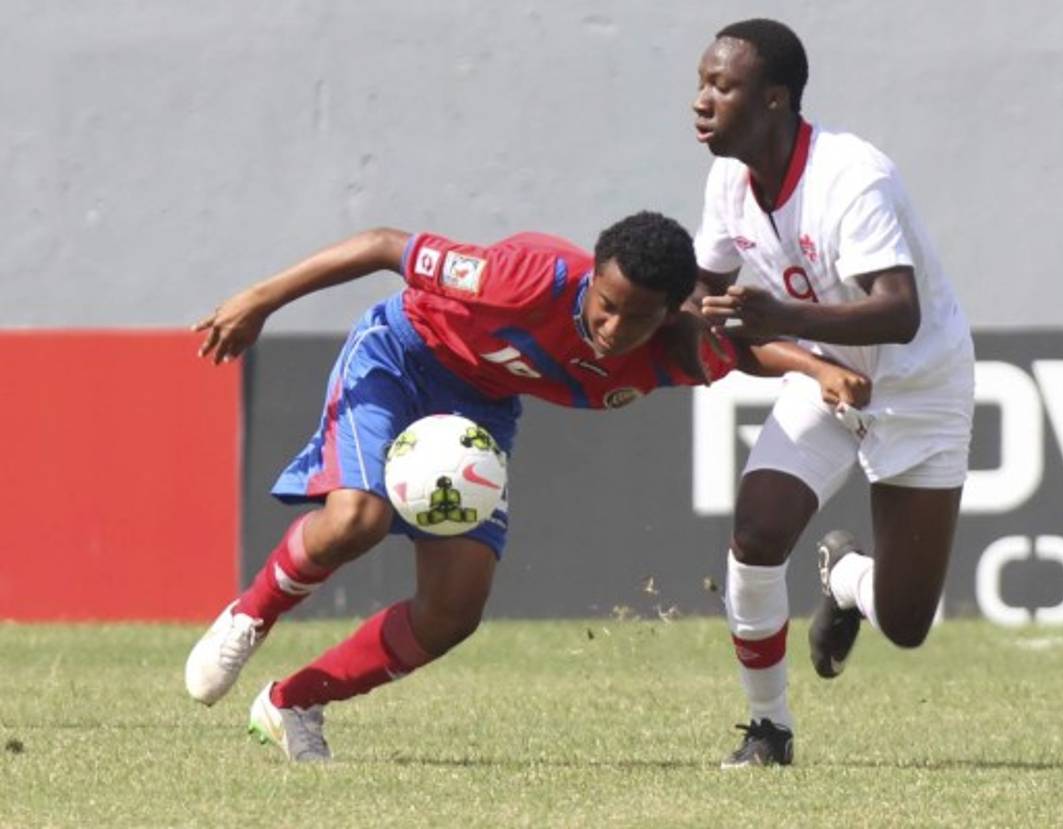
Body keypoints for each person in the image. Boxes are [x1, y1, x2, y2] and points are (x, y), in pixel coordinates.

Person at [184, 210, 871, 762]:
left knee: (453, 611)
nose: (613, 328)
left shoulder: (673, 349)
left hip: (479, 410)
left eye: (637, 318)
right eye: (605, 305)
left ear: (668, 315)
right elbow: (383, 245)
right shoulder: (523, 279)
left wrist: (815, 370)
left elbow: (742, 349)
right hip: (401, 356)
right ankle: (250, 616)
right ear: (592, 278)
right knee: (357, 518)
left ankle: (292, 702)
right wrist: (260, 299)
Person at [690, 19, 975, 768]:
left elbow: (899, 311)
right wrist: (806, 362)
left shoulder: (852, 176)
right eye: (702, 83)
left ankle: (846, 577)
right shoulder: (727, 182)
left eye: (722, 86)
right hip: (826, 377)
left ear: (775, 98)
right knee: (756, 533)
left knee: (906, 623)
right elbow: (703, 298)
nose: (702, 100)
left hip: (919, 384)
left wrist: (782, 318)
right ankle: (768, 729)